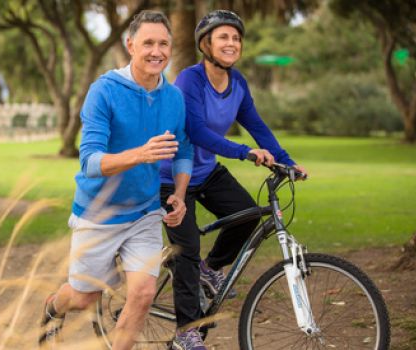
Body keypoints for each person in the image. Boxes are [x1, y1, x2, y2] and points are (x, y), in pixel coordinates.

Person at [39, 10, 193, 350]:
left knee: (143, 292)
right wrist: (141, 154)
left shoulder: (174, 98)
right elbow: (91, 162)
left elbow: (183, 150)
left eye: (163, 44)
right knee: (84, 298)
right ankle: (53, 307)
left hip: (144, 212)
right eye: (148, 43)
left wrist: (180, 193)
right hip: (99, 212)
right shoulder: (103, 91)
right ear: (130, 45)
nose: (157, 52)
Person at [159, 10, 307, 350]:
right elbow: (195, 131)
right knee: (186, 251)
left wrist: (286, 162)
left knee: (249, 216)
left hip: (207, 172)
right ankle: (186, 332)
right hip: (170, 177)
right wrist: (245, 152)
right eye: (223, 37)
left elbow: (256, 125)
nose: (231, 43)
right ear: (205, 44)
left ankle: (209, 269)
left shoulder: (237, 82)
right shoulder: (189, 80)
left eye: (236, 38)